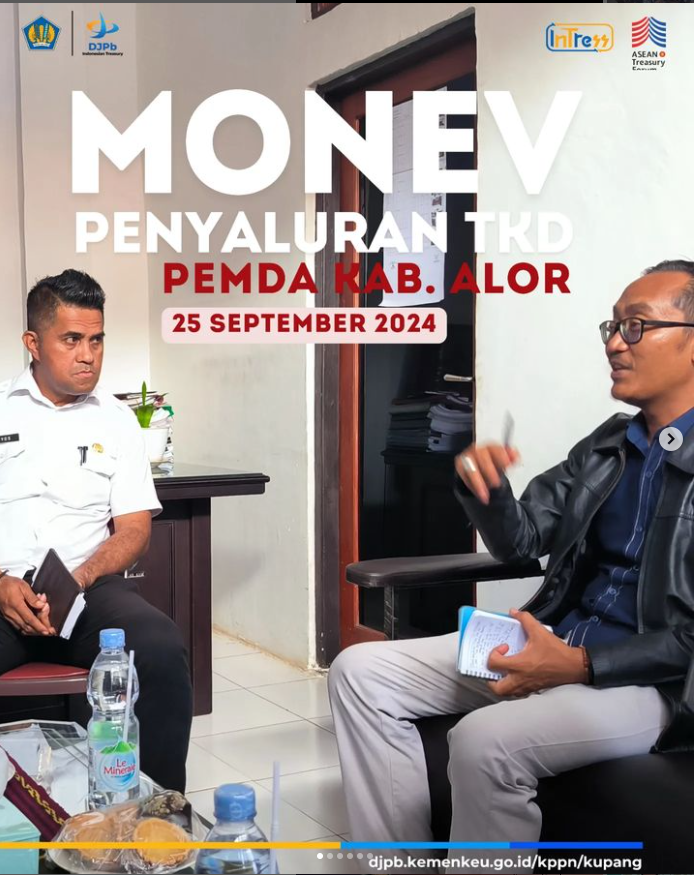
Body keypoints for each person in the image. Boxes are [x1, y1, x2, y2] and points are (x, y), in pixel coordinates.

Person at [329, 259, 694, 872]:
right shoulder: (609, 445)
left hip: (653, 684)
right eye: (612, 326)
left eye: (635, 326)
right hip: (554, 640)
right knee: (359, 672)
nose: (614, 343)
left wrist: (583, 665)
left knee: (482, 741)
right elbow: (523, 541)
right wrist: (490, 492)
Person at [0, 269, 193, 792]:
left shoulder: (117, 420)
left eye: (96, 340)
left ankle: (157, 811)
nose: (88, 355)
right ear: (33, 344)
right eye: (71, 340)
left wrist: (79, 578)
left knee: (159, 645)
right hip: (3, 587)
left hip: (87, 591)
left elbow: (134, 528)